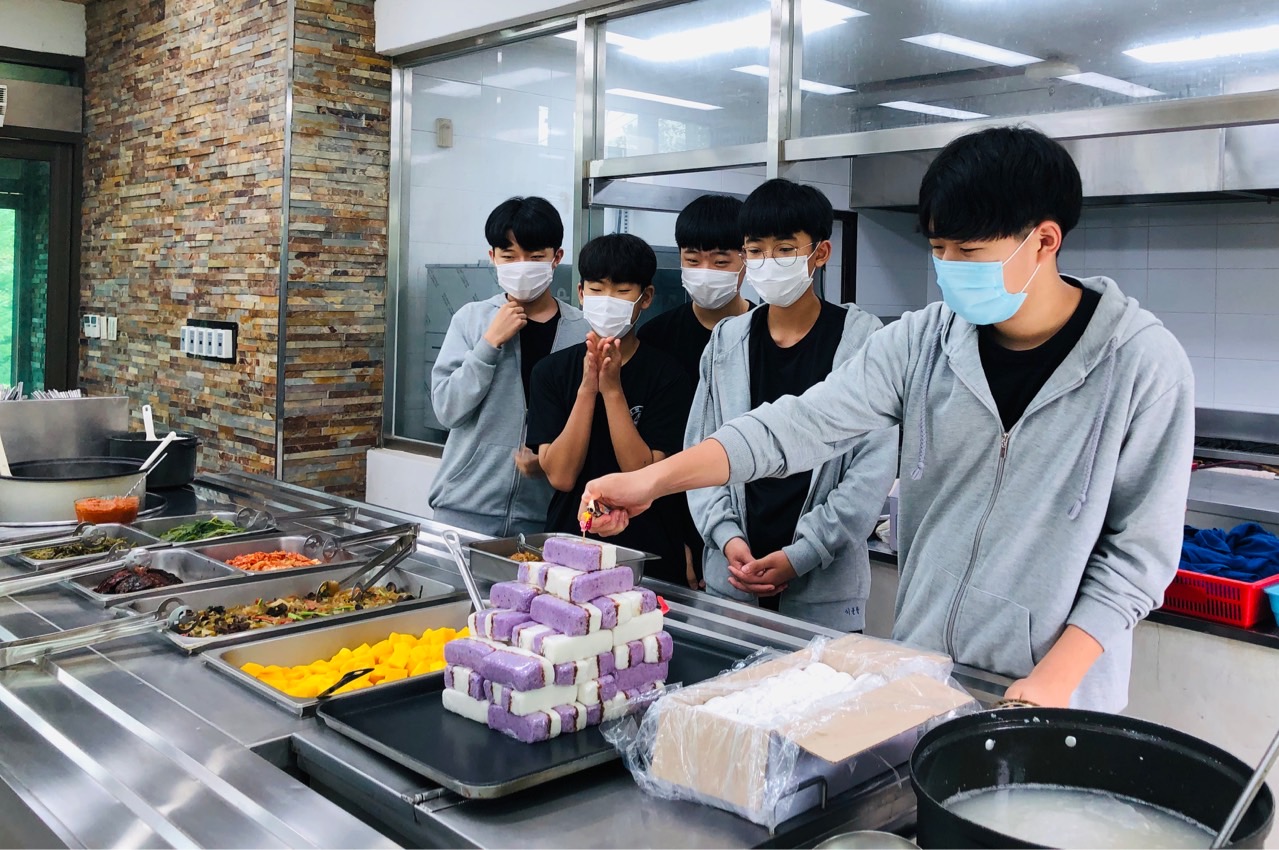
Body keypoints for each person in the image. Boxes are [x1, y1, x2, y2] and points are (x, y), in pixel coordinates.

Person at [581, 127, 1195, 712]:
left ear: (1044, 240)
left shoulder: (1140, 364)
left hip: (1056, 692)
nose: (948, 267)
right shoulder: (924, 341)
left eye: (968, 252)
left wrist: (1053, 679)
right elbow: (798, 425)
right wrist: (652, 482)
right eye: (938, 249)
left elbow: (1137, 556)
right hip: (925, 669)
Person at [685, 178, 897, 631]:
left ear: (820, 253)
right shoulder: (726, 341)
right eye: (755, 250)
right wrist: (727, 539)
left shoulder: (864, 340)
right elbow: (700, 451)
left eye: (784, 249)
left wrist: (802, 554)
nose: (768, 262)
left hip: (824, 595)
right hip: (732, 583)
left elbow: (871, 472)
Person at [527, 233, 692, 583]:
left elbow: (641, 474)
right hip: (572, 545)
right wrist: (588, 388)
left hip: (649, 553)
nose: (607, 300)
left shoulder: (669, 375)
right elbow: (561, 476)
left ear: (646, 297)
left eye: (622, 291)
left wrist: (613, 390)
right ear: (581, 293)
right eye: (597, 289)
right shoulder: (550, 372)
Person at [428, 196, 588, 537]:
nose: (522, 266)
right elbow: (446, 410)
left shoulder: (582, 331)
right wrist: (489, 343)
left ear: (557, 257)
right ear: (493, 258)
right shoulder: (471, 320)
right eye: (509, 256)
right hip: (463, 509)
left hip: (545, 519)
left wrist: (549, 460)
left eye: (535, 257)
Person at [637, 193, 753, 590]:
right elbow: (654, 455)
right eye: (692, 259)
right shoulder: (656, 338)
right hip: (672, 527)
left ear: (746, 258)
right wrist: (679, 543)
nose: (705, 272)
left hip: (748, 527)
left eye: (720, 262)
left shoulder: (763, 333)